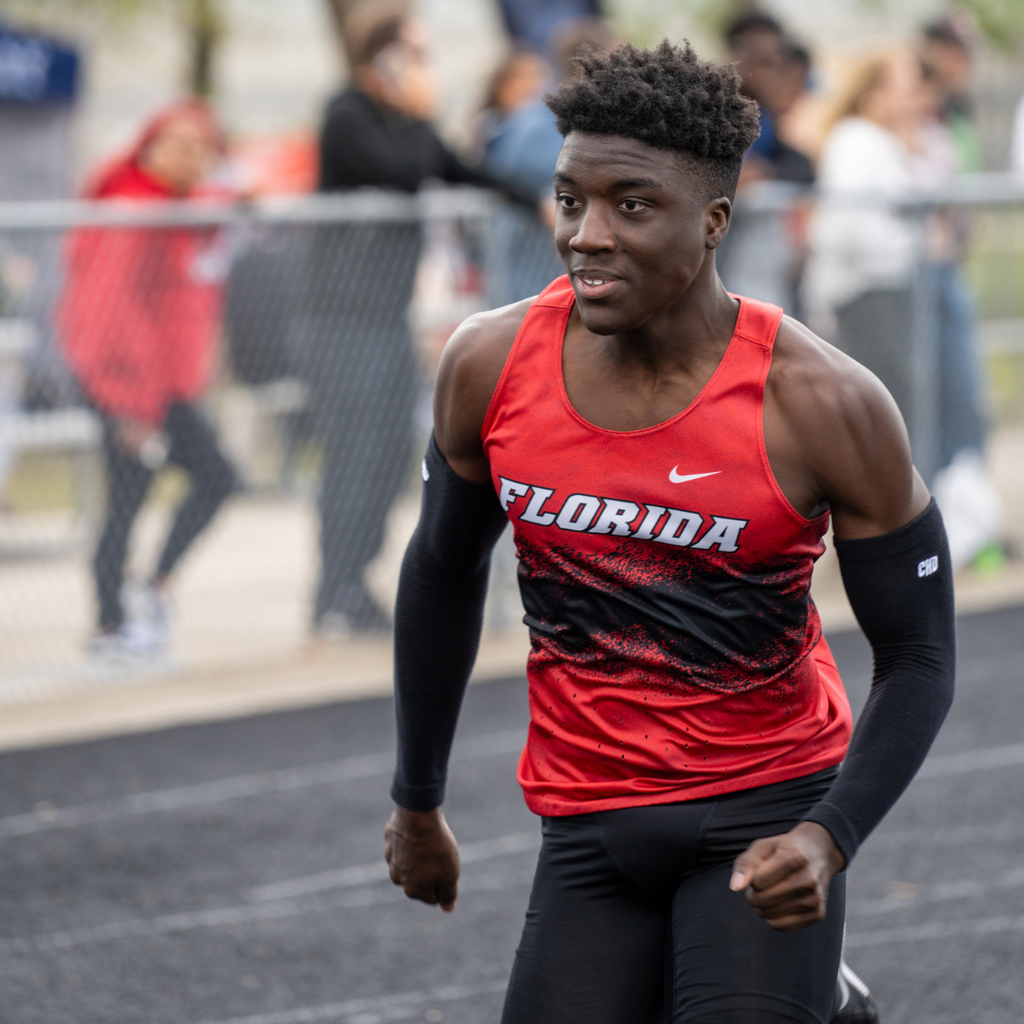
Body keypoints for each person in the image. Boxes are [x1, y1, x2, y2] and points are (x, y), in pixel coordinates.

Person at [385, 40, 955, 1023]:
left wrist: (829, 836)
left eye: (631, 205)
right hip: (587, 820)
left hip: (764, 812)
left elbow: (918, 651)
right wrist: (417, 798)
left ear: (714, 220)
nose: (587, 235)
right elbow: (440, 570)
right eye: (570, 200)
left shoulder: (822, 404)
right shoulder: (487, 363)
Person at [308, 4, 536, 638]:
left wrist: (541, 200)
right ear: (381, 58)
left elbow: (465, 169)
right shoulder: (348, 114)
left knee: (385, 455)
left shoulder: (406, 123)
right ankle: (331, 592)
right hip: (336, 322)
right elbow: (404, 170)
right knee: (353, 454)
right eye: (412, 53)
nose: (422, 66)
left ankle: (354, 585)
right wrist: (416, 106)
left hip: (382, 320)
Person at [804, 50, 1000, 565]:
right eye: (906, 85)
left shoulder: (893, 143)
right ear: (874, 92)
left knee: (918, 410)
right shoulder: (855, 142)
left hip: (896, 291)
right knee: (895, 414)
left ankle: (921, 532)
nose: (918, 97)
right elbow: (853, 230)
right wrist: (916, 243)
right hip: (871, 294)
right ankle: (891, 538)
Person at [58, 99, 236, 658]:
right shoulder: (130, 209)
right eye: (178, 144)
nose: (191, 157)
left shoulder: (175, 208)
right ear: (150, 147)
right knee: (135, 498)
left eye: (201, 147)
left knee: (194, 483)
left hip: (166, 385)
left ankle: (142, 595)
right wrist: (128, 407)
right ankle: (112, 622)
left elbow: (215, 208)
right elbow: (103, 317)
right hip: (127, 388)